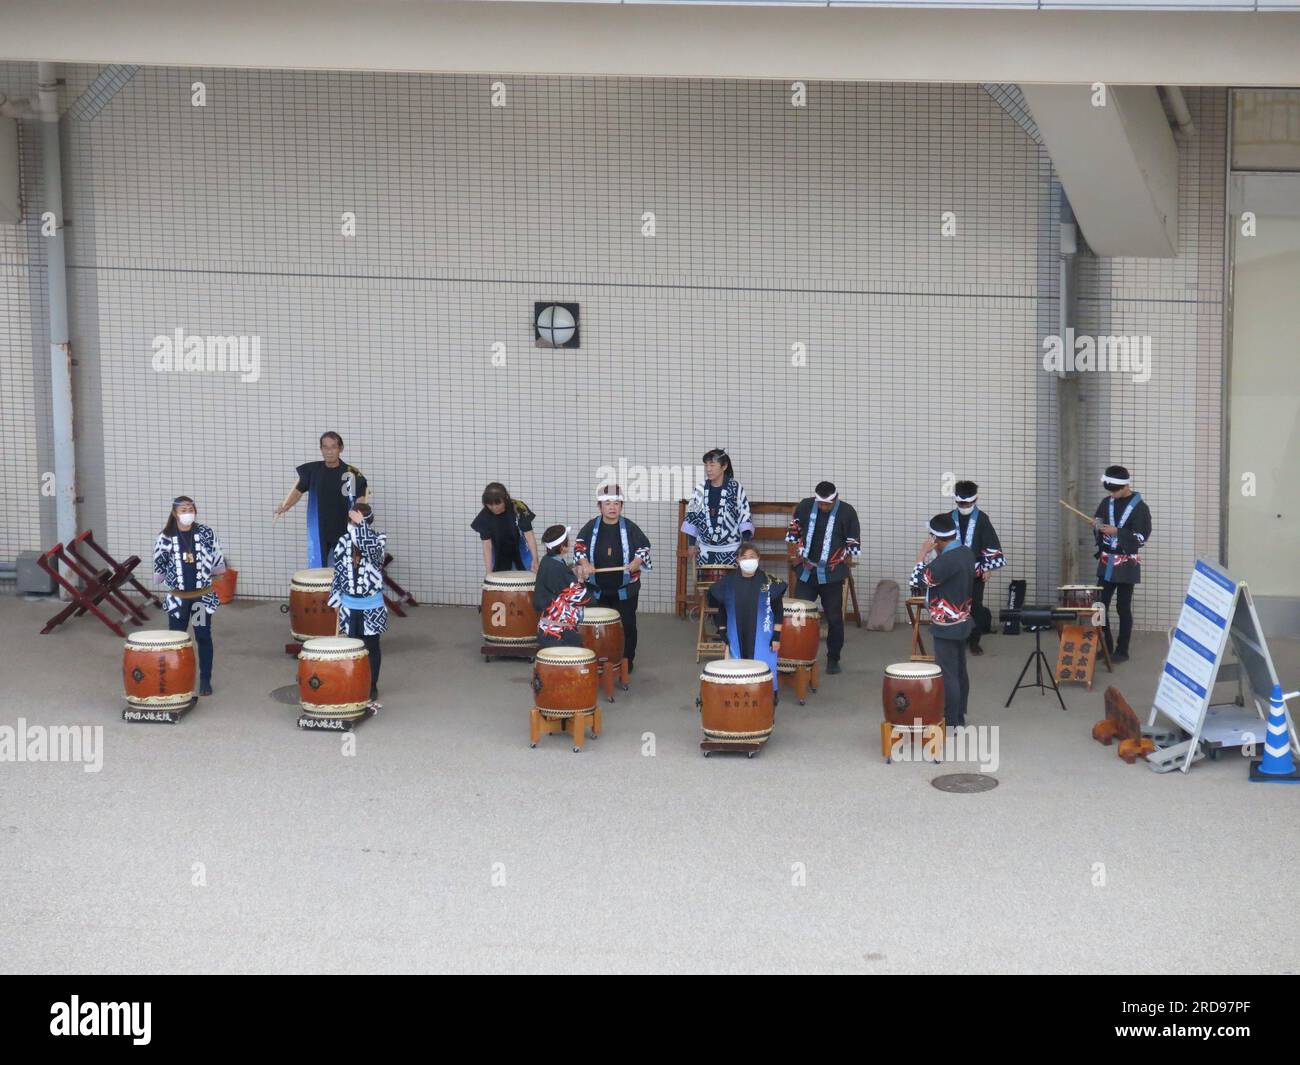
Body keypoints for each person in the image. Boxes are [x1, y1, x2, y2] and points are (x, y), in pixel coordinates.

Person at [573, 484, 652, 673]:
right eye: (607, 503)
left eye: (616, 503)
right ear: (599, 506)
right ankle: (595, 659)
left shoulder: (630, 527)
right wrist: (584, 563)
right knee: (596, 627)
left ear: (621, 506)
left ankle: (626, 660)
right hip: (597, 588)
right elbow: (579, 547)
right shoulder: (591, 527)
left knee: (627, 625)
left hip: (625, 589)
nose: (612, 507)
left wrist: (636, 561)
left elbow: (644, 547)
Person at [153, 495, 226, 697]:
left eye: (190, 509)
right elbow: (159, 561)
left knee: (202, 636)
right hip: (178, 600)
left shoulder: (205, 533)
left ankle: (205, 680)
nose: (187, 513)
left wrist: (218, 572)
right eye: (183, 510)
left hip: (200, 599)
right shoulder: (165, 537)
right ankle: (177, 679)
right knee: (177, 639)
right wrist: (160, 577)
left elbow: (216, 554)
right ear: (175, 513)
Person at [785, 480, 860, 675]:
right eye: (820, 503)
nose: (823, 507)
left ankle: (833, 659)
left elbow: (851, 547)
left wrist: (843, 564)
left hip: (832, 574)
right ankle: (796, 657)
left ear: (835, 498)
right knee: (797, 616)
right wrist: (795, 558)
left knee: (834, 618)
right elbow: (793, 535)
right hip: (806, 571)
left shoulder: (847, 512)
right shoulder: (804, 506)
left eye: (827, 504)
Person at [911, 513, 974, 728]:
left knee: (947, 674)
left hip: (947, 625)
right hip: (963, 619)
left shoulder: (946, 560)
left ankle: (951, 720)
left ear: (936, 539)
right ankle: (960, 716)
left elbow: (919, 580)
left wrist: (922, 554)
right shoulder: (965, 552)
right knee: (959, 670)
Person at [273, 431, 369, 567]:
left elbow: (361, 498)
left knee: (342, 568)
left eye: (333, 447)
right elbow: (298, 491)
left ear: (340, 448)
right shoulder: (313, 471)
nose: (329, 451)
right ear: (321, 449)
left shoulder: (350, 473)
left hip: (343, 527)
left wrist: (359, 519)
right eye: (325, 447)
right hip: (319, 528)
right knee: (318, 568)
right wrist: (286, 506)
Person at [329, 502, 387, 706]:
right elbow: (338, 573)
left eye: (359, 522)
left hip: (371, 605)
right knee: (351, 646)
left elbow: (374, 553)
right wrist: (334, 598)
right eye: (352, 522)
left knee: (371, 646)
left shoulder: (378, 539)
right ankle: (353, 682)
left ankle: (371, 685)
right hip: (348, 604)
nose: (353, 526)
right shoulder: (342, 541)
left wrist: (361, 526)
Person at [1093, 465, 1151, 664]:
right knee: (1098, 605)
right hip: (1107, 561)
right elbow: (1099, 519)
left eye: (1115, 491)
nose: (1112, 495)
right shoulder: (1106, 501)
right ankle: (1105, 645)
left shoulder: (1140, 508)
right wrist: (1097, 526)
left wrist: (1117, 531)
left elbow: (1141, 538)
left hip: (1126, 564)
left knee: (1123, 607)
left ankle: (1122, 650)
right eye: (1110, 491)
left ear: (1125, 486)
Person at [707, 542, 784, 690]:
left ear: (758, 558)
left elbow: (778, 610)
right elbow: (722, 608)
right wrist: (722, 632)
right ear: (737, 560)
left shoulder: (770, 582)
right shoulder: (728, 583)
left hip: (763, 636)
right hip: (736, 635)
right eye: (744, 557)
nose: (748, 560)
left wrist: (776, 636)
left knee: (764, 668)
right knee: (738, 670)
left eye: (752, 557)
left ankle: (768, 697)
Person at [951, 480, 1006, 656]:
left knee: (975, 606)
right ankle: (958, 639)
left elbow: (990, 542)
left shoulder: (982, 519)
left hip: (976, 571)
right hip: (954, 572)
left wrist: (988, 567)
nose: (964, 505)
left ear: (975, 500)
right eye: (961, 503)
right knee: (956, 606)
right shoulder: (949, 518)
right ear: (956, 501)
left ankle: (974, 641)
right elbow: (941, 545)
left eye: (968, 503)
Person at [682, 448, 754, 574]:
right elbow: (692, 517)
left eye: (712, 465)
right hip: (706, 550)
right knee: (708, 589)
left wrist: (746, 544)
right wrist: (692, 544)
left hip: (732, 550)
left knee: (731, 590)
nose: (708, 469)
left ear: (724, 466)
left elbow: (744, 515)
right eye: (706, 465)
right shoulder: (699, 489)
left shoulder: (735, 488)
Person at [533, 524, 596, 648]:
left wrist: (575, 571)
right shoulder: (556, 569)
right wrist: (582, 579)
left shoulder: (548, 561)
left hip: (550, 627)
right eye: (568, 539)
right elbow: (584, 599)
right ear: (562, 547)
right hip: (557, 633)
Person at [471, 482, 539, 573]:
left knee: (526, 583)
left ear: (505, 498)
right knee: (499, 584)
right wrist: (488, 571)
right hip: (499, 555)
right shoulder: (485, 515)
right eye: (490, 505)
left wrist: (535, 559)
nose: (494, 508)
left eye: (498, 504)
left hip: (522, 553)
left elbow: (529, 535)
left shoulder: (518, 508)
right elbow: (487, 545)